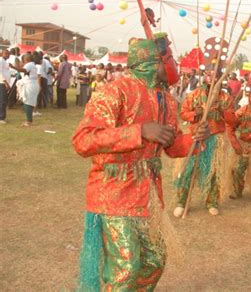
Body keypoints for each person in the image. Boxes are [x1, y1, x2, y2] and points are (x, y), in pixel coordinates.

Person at [73, 36, 210, 290]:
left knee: (155, 261)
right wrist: (139, 131)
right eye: (168, 59)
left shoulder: (167, 100)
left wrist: (194, 138)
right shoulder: (115, 91)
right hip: (113, 194)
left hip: (148, 197)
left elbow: (173, 145)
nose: (173, 64)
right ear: (149, 61)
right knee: (125, 268)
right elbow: (83, 141)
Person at [173, 71, 237, 217]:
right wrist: (195, 113)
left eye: (217, 80)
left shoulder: (226, 98)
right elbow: (183, 113)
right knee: (188, 171)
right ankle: (182, 202)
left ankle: (212, 202)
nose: (213, 84)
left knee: (213, 173)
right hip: (195, 138)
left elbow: (233, 121)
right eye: (211, 78)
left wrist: (223, 112)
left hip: (215, 140)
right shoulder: (194, 95)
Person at [10, 53, 40, 126]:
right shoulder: (31, 64)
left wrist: (13, 67)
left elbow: (23, 70)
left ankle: (29, 121)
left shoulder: (29, 64)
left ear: (26, 59)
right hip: (31, 84)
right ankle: (29, 120)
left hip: (30, 85)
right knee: (27, 102)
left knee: (27, 103)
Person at [0, 49, 10, 124]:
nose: (7, 55)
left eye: (8, 54)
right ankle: (1, 118)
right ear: (2, 54)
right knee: (3, 100)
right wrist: (6, 82)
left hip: (3, 83)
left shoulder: (5, 61)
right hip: (2, 83)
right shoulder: (1, 60)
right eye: (5, 53)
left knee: (3, 100)